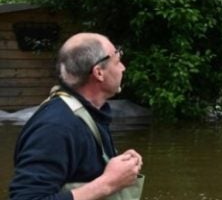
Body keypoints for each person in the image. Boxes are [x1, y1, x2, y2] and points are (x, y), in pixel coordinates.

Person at [9, 32, 144, 200]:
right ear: (98, 73)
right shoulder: (55, 127)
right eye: (117, 61)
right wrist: (108, 183)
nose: (123, 68)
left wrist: (118, 167)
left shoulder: (88, 113)